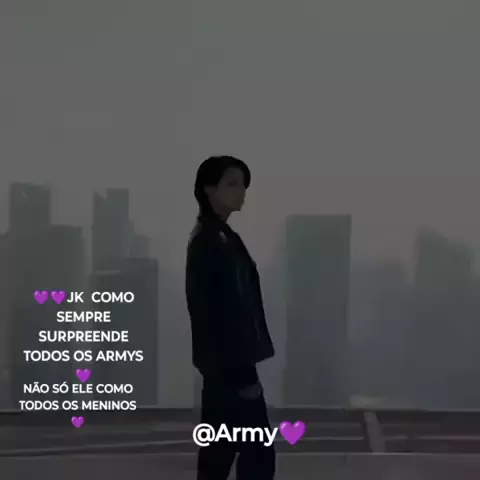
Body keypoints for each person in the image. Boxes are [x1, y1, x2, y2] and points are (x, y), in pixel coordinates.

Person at [186, 155, 276, 480]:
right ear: (208, 189)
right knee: (251, 454)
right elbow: (212, 312)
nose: (241, 192)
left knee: (225, 454)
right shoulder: (208, 242)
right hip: (229, 371)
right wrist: (241, 374)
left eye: (243, 185)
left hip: (227, 369)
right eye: (232, 183)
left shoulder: (224, 238)